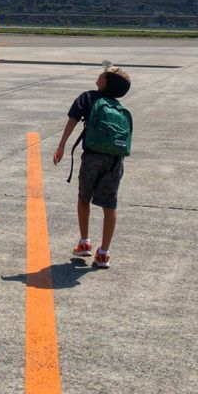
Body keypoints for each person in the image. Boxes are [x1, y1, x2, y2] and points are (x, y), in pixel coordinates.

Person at [52, 63, 132, 270]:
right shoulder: (117, 107)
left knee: (83, 198)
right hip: (115, 159)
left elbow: (72, 120)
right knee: (110, 205)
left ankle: (84, 242)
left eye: (103, 74)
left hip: (92, 158)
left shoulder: (88, 97)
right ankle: (103, 254)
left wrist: (61, 146)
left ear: (104, 82)